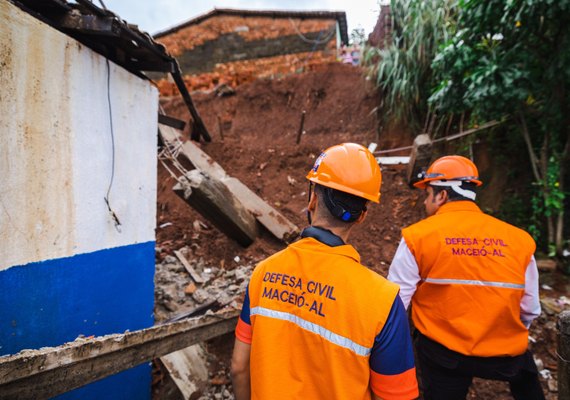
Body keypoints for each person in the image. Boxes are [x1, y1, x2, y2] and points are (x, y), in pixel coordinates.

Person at [231, 143, 419, 400]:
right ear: (362, 215)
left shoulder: (263, 274)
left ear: (313, 200)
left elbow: (239, 368)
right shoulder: (383, 302)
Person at [387, 155, 544, 400]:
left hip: (444, 355)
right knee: (528, 381)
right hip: (505, 354)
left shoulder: (417, 237)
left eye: (427, 194)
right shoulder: (519, 240)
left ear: (442, 195)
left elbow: (396, 304)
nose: (425, 202)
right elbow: (530, 309)